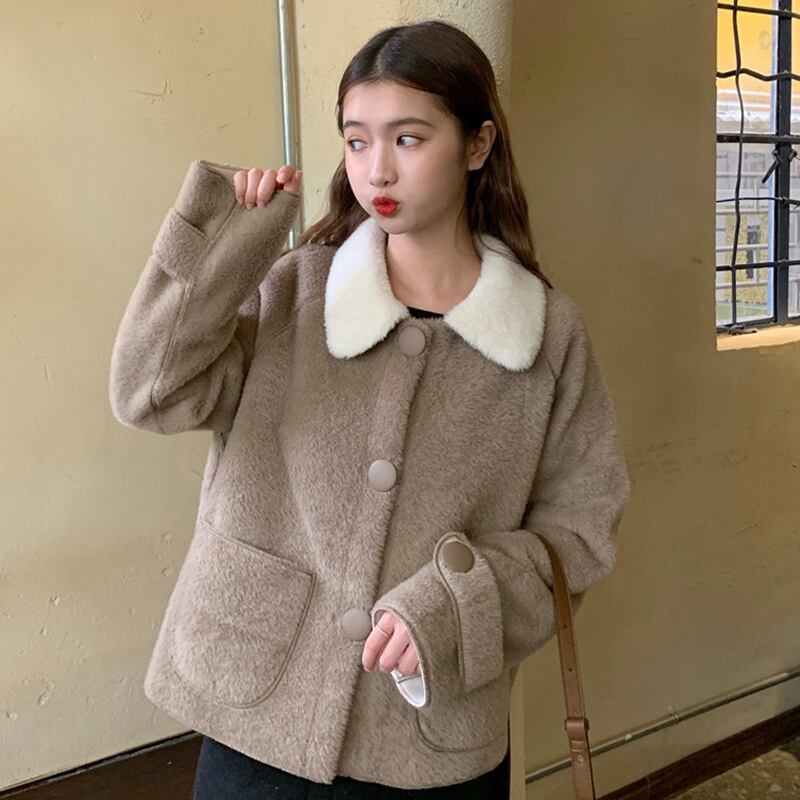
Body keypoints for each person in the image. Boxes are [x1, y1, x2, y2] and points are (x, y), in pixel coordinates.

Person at [109, 18, 631, 800]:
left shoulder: (546, 334)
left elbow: (579, 532)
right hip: (259, 714)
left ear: (478, 144)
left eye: (408, 139)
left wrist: (455, 606)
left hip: (427, 735)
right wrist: (223, 244)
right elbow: (150, 392)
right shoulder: (296, 290)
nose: (376, 169)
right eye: (357, 141)